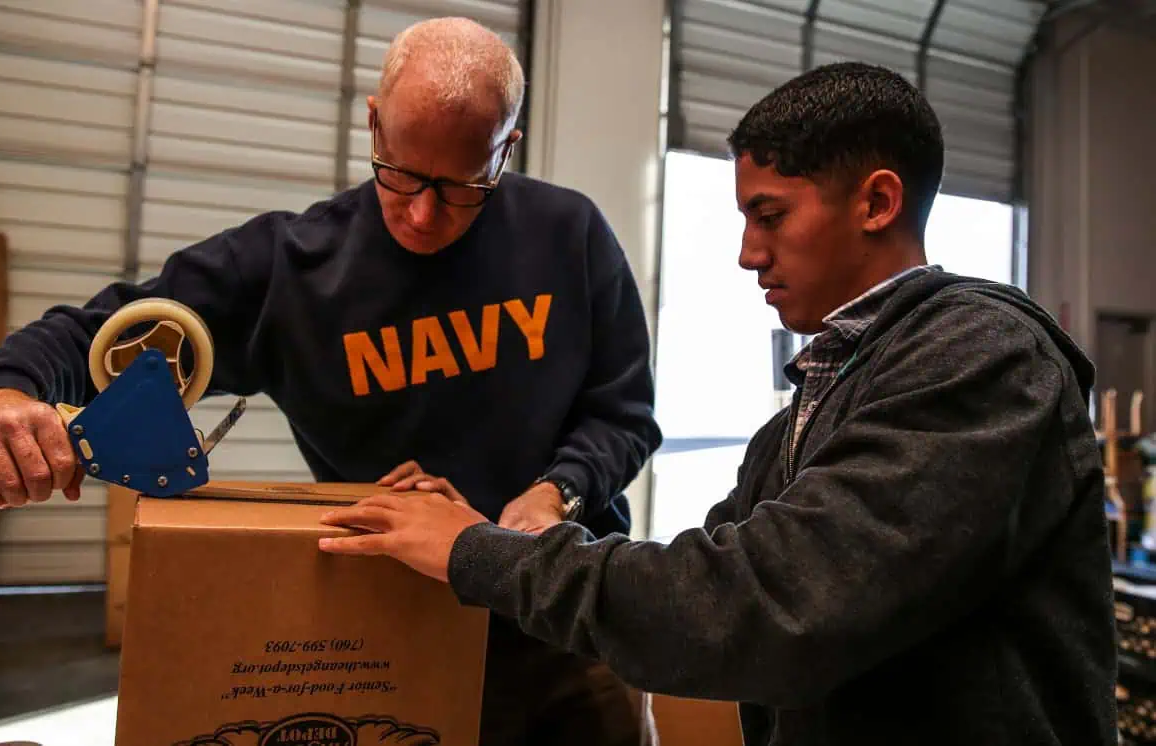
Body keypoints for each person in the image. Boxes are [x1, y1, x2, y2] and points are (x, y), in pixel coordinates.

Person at [317, 61, 1120, 744]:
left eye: (770, 216)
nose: (747, 254)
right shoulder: (803, 416)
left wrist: (474, 553)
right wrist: (494, 537)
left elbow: (757, 608)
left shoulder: (983, 363)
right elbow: (689, 586)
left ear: (877, 203)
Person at [0, 17, 662, 746]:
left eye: (459, 188)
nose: (422, 214)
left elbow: (626, 414)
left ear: (506, 147)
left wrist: (555, 493)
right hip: (390, 633)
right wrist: (3, 391)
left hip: (562, 631)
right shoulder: (291, 271)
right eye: (402, 175)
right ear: (375, 123)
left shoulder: (567, 236)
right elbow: (102, 330)